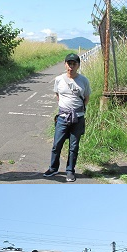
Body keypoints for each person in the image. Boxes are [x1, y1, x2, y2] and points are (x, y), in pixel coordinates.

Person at [43, 53, 90, 182]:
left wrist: (77, 111)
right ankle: (53, 168)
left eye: (74, 64)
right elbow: (57, 95)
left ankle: (70, 170)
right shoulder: (59, 79)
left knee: (74, 146)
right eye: (69, 63)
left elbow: (86, 98)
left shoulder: (84, 80)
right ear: (65, 64)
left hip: (78, 118)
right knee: (56, 144)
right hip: (62, 117)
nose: (71, 66)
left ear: (78, 65)